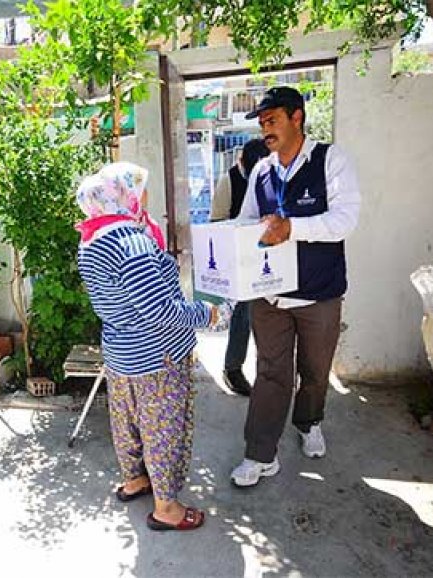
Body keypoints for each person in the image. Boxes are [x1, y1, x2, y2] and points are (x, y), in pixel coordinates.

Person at [76, 162, 227, 531]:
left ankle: (135, 481)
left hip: (121, 350)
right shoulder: (131, 243)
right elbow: (161, 310)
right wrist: (207, 315)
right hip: (156, 354)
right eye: (139, 188)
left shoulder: (92, 239)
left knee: (127, 422)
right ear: (122, 195)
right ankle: (167, 509)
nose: (144, 195)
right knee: (163, 429)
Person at [230, 86, 361, 487]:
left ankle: (309, 422)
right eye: (262, 122)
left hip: (320, 294)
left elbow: (345, 220)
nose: (265, 129)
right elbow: (246, 221)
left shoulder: (330, 160)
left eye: (272, 120)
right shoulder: (262, 171)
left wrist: (292, 228)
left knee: (315, 371)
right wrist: (228, 242)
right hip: (269, 295)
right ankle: (260, 454)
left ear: (297, 117)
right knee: (271, 373)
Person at [210, 138, 270, 396]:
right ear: (242, 163)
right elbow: (216, 221)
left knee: (272, 316)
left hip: (270, 257)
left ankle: (271, 373)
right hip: (238, 258)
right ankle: (232, 368)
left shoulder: (274, 177)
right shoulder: (230, 180)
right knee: (242, 314)